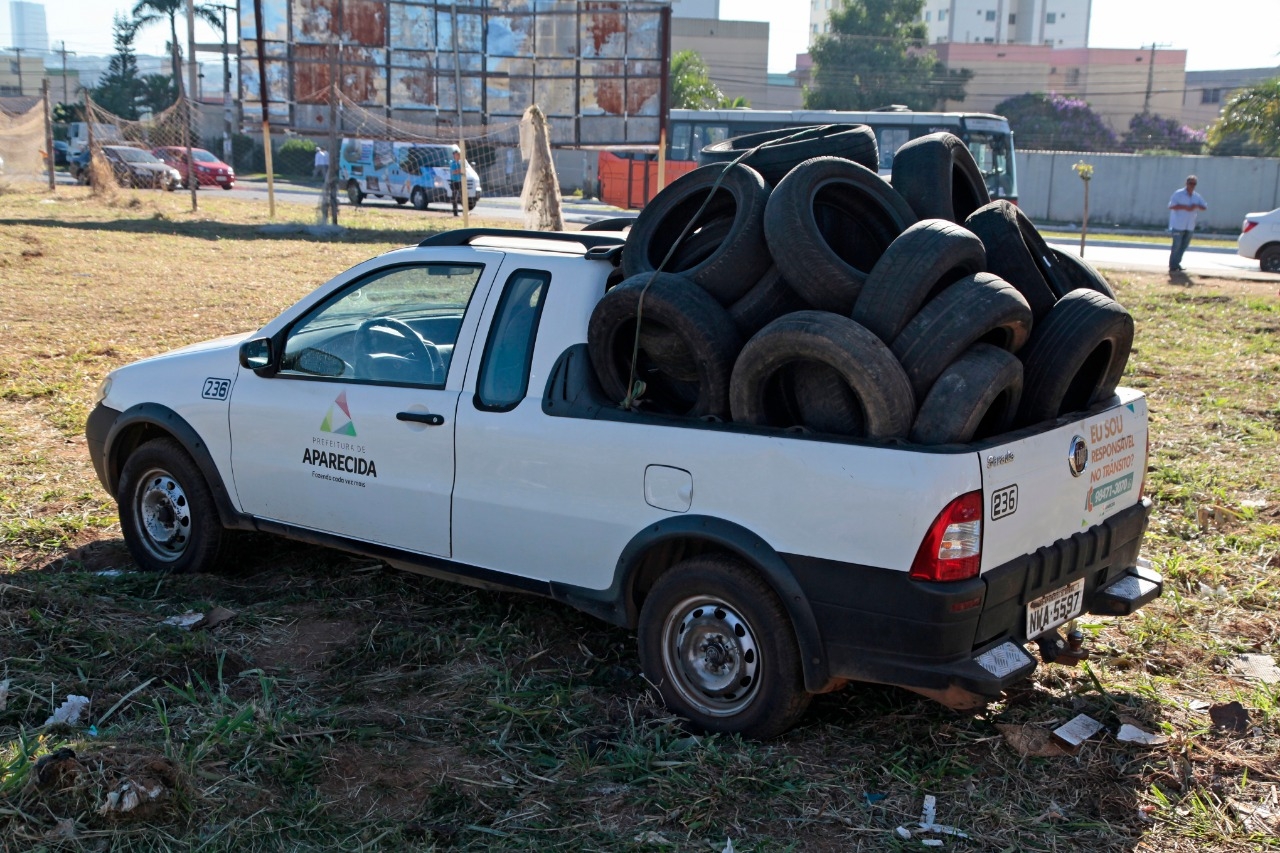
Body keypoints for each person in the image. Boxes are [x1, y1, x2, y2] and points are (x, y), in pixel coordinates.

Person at [1167, 175, 1207, 272]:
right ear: (1186, 183)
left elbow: (1204, 207)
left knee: (1183, 246)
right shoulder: (1179, 194)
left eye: (1194, 184)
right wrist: (1184, 207)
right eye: (1190, 183)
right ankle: (1172, 265)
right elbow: (1171, 206)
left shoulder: (1196, 196)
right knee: (1176, 245)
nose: (1192, 186)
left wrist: (1196, 206)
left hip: (1190, 225)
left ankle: (1177, 263)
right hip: (1178, 225)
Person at [449, 149, 464, 216]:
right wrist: (460, 170)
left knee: (463, 197)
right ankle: (455, 213)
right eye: (457, 154)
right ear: (454, 156)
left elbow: (463, 170)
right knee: (454, 197)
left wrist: (460, 170)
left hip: (460, 182)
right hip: (454, 182)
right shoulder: (452, 163)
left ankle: (465, 212)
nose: (458, 156)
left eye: (459, 154)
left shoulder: (461, 163)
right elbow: (454, 172)